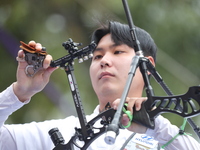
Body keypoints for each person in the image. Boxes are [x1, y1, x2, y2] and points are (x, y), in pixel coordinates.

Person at [0, 21, 199, 150]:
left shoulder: (167, 136)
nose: (104, 61)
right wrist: (19, 92)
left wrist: (154, 127)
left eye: (118, 52)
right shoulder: (67, 130)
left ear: (147, 66)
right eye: (97, 56)